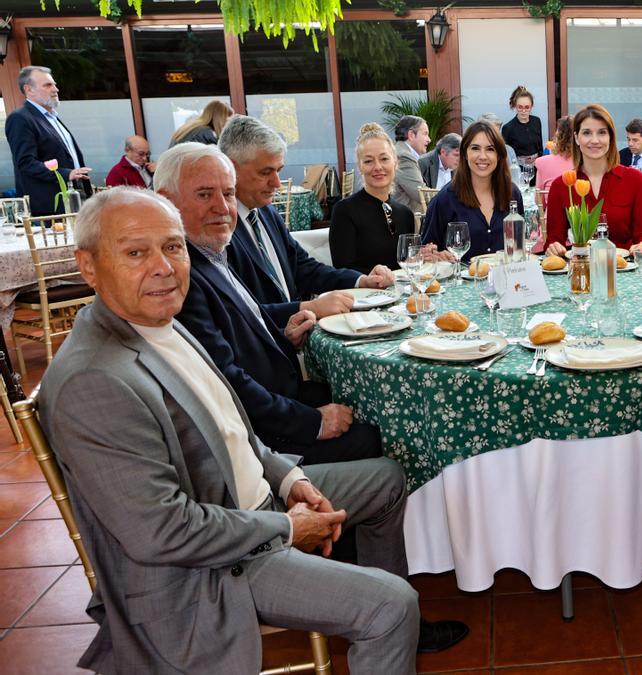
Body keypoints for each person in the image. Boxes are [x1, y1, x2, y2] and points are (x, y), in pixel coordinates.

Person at [38, 187, 421, 673]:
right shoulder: (93, 380)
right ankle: (372, 619)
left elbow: (232, 432)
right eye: (136, 252)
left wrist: (291, 480)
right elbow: (163, 533)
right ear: (88, 266)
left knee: (387, 478)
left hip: (248, 502)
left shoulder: (159, 321)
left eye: (173, 246)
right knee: (391, 605)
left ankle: (358, 618)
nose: (163, 266)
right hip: (207, 570)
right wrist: (286, 527)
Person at [161, 142, 384, 466]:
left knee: (370, 400)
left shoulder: (211, 254)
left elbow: (239, 327)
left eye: (227, 194)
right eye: (205, 194)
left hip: (279, 392)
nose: (223, 207)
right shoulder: (182, 277)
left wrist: (281, 334)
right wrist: (314, 423)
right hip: (260, 436)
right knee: (377, 437)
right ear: (167, 203)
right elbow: (228, 383)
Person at [217, 116, 393, 316]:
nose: (277, 183)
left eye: (278, 170)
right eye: (266, 172)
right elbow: (236, 315)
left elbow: (303, 268)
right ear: (230, 168)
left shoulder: (266, 212)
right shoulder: (218, 229)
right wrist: (307, 308)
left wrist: (361, 281)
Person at [544, 104, 642, 255]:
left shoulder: (636, 180)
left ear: (610, 137)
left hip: (624, 270)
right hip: (581, 269)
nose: (595, 140)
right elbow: (553, 240)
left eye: (602, 133)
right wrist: (553, 248)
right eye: (587, 133)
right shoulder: (562, 185)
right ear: (576, 138)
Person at [420, 120, 525, 262]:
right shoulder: (445, 199)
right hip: (461, 283)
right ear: (464, 153)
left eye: (490, 149)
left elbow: (519, 248)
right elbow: (426, 253)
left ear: (499, 155)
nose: (482, 156)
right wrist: (434, 256)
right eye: (475, 148)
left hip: (507, 281)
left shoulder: (512, 194)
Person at [5, 65, 92, 216]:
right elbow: (26, 163)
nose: (55, 89)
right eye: (48, 85)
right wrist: (66, 174)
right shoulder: (20, 118)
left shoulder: (52, 117)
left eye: (54, 84)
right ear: (29, 89)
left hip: (76, 197)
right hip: (51, 206)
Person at [330, 123, 417, 274]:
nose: (378, 167)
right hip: (364, 295)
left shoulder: (406, 214)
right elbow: (343, 268)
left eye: (384, 159)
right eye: (368, 161)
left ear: (395, 163)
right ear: (360, 167)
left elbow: (409, 264)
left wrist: (424, 256)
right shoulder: (345, 211)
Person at [392, 114, 431, 212]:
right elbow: (421, 194)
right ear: (411, 135)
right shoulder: (404, 156)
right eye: (425, 134)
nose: (429, 139)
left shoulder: (400, 151)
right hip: (410, 221)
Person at [501, 85, 544, 161]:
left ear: (531, 106)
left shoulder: (537, 121)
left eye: (527, 107)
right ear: (515, 106)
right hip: (518, 168)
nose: (523, 111)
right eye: (520, 107)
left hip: (537, 166)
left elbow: (540, 147)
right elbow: (505, 155)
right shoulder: (508, 128)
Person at [168, 99, 235, 147]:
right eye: (227, 120)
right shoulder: (207, 133)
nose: (228, 124)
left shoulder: (191, 128)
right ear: (219, 118)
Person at [535, 116, 575, 190]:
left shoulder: (542, 162)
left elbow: (538, 198)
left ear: (558, 136)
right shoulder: (587, 163)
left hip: (551, 201)